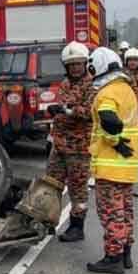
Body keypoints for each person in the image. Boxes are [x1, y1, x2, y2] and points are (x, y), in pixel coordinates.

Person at [86, 47, 138, 274]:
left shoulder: (106, 93)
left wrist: (114, 140)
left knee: (111, 212)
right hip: (128, 165)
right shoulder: (126, 88)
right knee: (126, 210)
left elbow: (109, 119)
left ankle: (113, 258)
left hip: (110, 165)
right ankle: (126, 253)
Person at [46, 41, 95, 242]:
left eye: (79, 64)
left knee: (78, 189)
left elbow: (91, 112)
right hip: (59, 145)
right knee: (52, 184)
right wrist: (55, 114)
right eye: (71, 65)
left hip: (79, 148)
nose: (75, 68)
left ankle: (77, 227)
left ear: (85, 64)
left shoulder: (92, 85)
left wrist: (68, 110)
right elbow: (61, 106)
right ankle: (48, 221)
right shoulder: (65, 84)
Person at [123, 47, 138, 163]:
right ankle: (128, 154)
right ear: (126, 61)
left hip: (137, 109)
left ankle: (135, 153)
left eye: (135, 60)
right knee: (128, 132)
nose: (133, 62)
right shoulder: (123, 76)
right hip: (126, 110)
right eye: (130, 60)